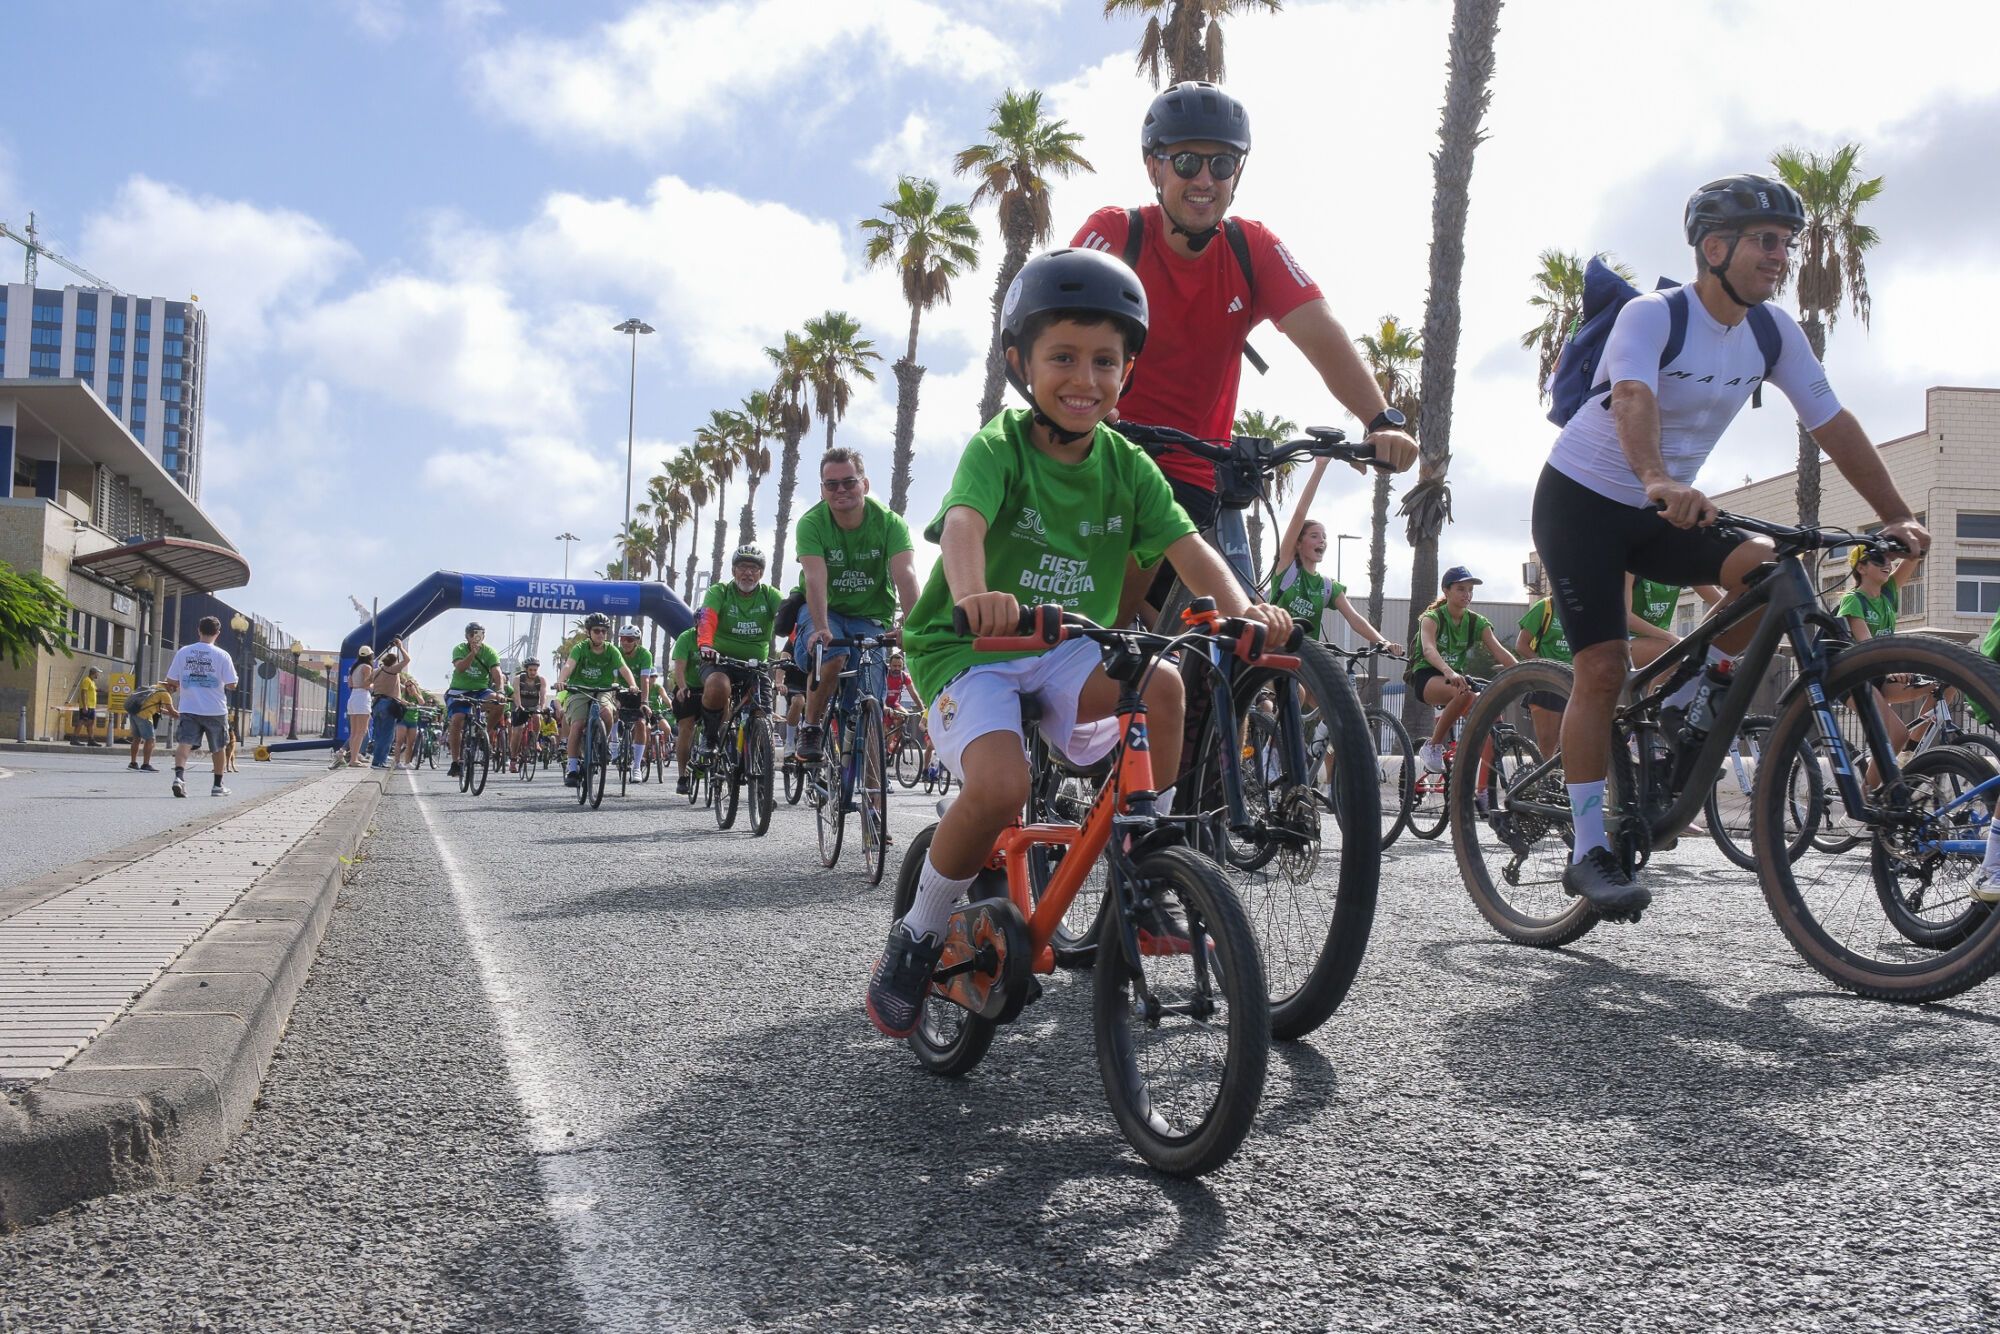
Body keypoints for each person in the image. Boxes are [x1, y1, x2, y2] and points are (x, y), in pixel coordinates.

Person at [865, 246, 1295, 1039]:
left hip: (1067, 643)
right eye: (1062, 357)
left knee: (1163, 682)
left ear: (1128, 371)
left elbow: (1189, 550)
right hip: (969, 650)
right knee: (999, 786)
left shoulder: (1128, 465)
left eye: (1106, 361)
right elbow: (963, 526)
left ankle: (1150, 860)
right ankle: (920, 932)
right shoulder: (1001, 445)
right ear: (1020, 363)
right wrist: (972, 599)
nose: (1084, 379)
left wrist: (1245, 610)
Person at [1531, 173, 1930, 914]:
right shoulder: (1654, 315)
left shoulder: (1773, 332)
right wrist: (1655, 475)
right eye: (1767, 242)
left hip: (1668, 510)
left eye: (1788, 243)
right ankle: (1589, 848)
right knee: (1600, 667)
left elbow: (1831, 422)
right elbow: (1633, 396)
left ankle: (1695, 695)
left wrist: (1898, 513)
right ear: (1715, 248)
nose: (1782, 257)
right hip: (1584, 502)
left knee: (1770, 582)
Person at [1069, 81, 1418, 615]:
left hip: (1193, 472)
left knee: (1225, 643)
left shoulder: (1251, 248)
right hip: (1104, 454)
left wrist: (1381, 419)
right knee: (1111, 630)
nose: (1205, 179)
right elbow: (1052, 324)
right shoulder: (1116, 234)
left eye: (1223, 164)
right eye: (1186, 162)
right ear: (1153, 167)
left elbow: (1320, 331)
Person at [791, 449, 921, 762]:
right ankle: (811, 726)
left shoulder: (890, 524)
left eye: (848, 482)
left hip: (869, 617)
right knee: (834, 654)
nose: (840, 490)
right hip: (824, 610)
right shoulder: (811, 523)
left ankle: (871, 795)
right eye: (831, 484)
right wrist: (821, 626)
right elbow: (815, 578)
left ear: (864, 484)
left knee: (868, 701)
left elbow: (905, 575)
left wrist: (915, 629)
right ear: (822, 490)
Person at [1271, 460, 1402, 653]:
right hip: (1273, 652)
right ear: (1298, 543)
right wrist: (1320, 466)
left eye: (1324, 537)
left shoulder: (1327, 586)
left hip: (1306, 660)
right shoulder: (1286, 568)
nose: (1321, 541)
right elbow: (1300, 514)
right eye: (1314, 536)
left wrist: (1384, 642)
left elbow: (1354, 618)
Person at [696, 546, 784, 756]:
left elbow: (789, 619)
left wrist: (798, 645)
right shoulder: (720, 592)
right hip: (720, 662)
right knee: (718, 685)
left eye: (754, 568)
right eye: (743, 567)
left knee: (763, 712)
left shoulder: (770, 595)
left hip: (755, 666)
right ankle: (710, 736)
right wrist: (706, 645)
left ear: (761, 573)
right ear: (734, 570)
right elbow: (707, 617)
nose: (748, 573)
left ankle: (759, 766)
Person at [554, 613, 638, 786]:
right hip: (579, 689)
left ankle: (602, 742)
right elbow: (569, 665)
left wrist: (632, 684)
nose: (601, 634)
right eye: (597, 631)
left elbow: (624, 668)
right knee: (577, 725)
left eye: (604, 631)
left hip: (603, 690)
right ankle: (572, 768)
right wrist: (562, 680)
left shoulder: (611, 650)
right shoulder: (580, 648)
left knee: (607, 713)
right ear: (589, 632)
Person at [165, 616, 240, 798]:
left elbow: (171, 679)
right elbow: (231, 684)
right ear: (218, 633)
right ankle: (217, 785)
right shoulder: (222, 655)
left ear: (199, 630)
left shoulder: (184, 652)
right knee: (219, 747)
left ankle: (179, 778)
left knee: (185, 744)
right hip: (215, 708)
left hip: (189, 706)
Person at [444, 622, 504, 779]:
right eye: (472, 635)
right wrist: (472, 653)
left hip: (480, 691)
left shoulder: (490, 651)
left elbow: (496, 672)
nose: (475, 638)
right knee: (457, 719)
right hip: (459, 690)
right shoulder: (459, 649)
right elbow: (461, 667)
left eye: (479, 634)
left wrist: (501, 690)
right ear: (467, 636)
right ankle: (456, 761)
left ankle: (484, 732)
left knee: (499, 703)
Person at [365, 639, 411, 771]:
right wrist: (401, 647)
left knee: (379, 733)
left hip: (377, 703)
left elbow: (367, 682)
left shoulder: (377, 671)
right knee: (387, 735)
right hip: (388, 704)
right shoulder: (393, 669)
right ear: (394, 662)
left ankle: (380, 759)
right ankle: (378, 762)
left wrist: (379, 688)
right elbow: (407, 660)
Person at [667, 625, 702, 794]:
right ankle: (682, 776)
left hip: (711, 688)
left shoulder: (721, 635)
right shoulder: (686, 637)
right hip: (689, 688)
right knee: (686, 727)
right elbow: (679, 669)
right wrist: (682, 687)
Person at [124, 679, 178, 772]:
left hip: (134, 714)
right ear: (171, 686)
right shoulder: (165, 694)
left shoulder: (155, 687)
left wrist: (169, 713)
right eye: (175, 689)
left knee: (136, 739)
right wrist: (185, 717)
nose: (174, 691)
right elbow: (172, 711)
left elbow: (155, 707)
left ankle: (133, 763)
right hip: (144, 716)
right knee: (150, 740)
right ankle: (146, 765)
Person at [337, 647, 374, 768]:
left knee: (353, 732)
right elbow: (366, 684)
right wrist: (374, 683)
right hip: (362, 698)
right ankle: (354, 759)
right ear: (369, 656)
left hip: (353, 696)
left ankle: (353, 757)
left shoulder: (354, 668)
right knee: (361, 731)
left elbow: (350, 684)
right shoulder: (367, 668)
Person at [510, 658, 548, 771]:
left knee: (537, 717)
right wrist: (519, 706)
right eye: (530, 670)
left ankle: (535, 740)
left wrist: (542, 707)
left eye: (535, 670)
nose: (533, 672)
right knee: (518, 731)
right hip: (520, 706)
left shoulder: (541, 680)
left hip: (533, 706)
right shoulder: (518, 679)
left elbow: (543, 696)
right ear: (526, 669)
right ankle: (513, 759)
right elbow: (516, 694)